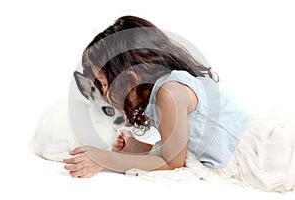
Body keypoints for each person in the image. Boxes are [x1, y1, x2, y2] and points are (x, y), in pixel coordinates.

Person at [64, 15, 295, 192]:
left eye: (104, 85)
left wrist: (103, 159)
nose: (104, 96)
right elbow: (179, 149)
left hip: (272, 154)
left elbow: (171, 163)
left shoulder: (170, 93)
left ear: (129, 77)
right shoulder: (161, 94)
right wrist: (140, 147)